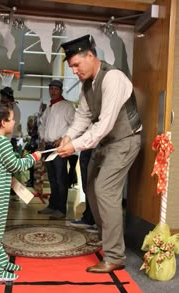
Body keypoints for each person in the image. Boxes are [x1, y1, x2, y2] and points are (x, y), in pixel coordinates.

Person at [58, 34, 142, 273]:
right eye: (71, 66)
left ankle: (115, 256)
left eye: (76, 64)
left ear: (91, 56)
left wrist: (74, 146)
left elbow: (104, 124)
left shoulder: (113, 78)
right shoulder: (87, 85)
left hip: (125, 141)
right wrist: (68, 137)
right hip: (105, 143)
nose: (74, 70)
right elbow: (83, 117)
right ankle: (108, 241)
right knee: (91, 190)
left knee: (105, 189)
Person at [0, 100, 41, 281]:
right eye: (12, 119)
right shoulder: (1, 143)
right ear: (3, 123)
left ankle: (2, 261)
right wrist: (33, 157)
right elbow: (16, 166)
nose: (14, 122)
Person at [38, 80, 75, 220]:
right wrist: (42, 137)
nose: (53, 91)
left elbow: (74, 125)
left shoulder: (67, 106)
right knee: (52, 178)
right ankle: (52, 206)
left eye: (55, 89)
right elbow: (42, 124)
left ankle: (61, 209)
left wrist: (63, 138)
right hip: (48, 147)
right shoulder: (49, 108)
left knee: (60, 178)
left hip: (59, 147)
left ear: (60, 90)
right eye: (51, 89)